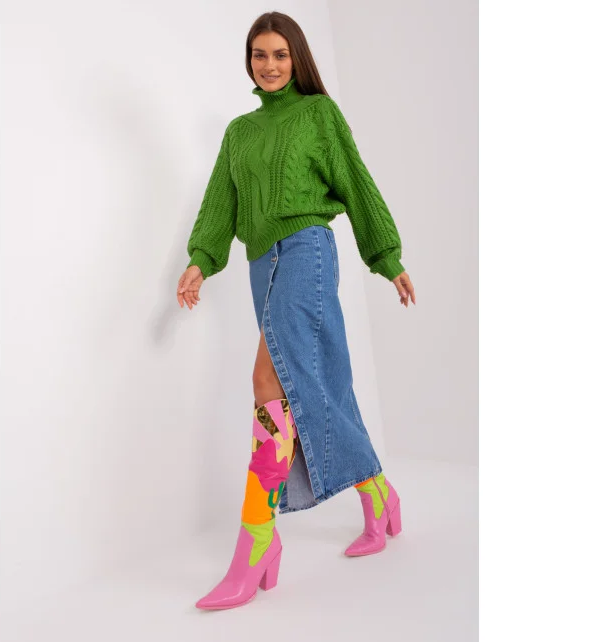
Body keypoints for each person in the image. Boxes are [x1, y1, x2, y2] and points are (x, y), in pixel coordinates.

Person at [176, 11, 417, 611]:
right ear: (249, 61)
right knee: (315, 383)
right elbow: (219, 203)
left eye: (280, 54)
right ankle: (379, 494)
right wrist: (201, 260)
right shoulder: (239, 132)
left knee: (268, 380)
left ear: (298, 58)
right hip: (262, 262)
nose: (270, 65)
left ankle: (256, 543)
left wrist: (386, 257)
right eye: (259, 54)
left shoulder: (318, 114)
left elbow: (356, 181)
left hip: (307, 249)